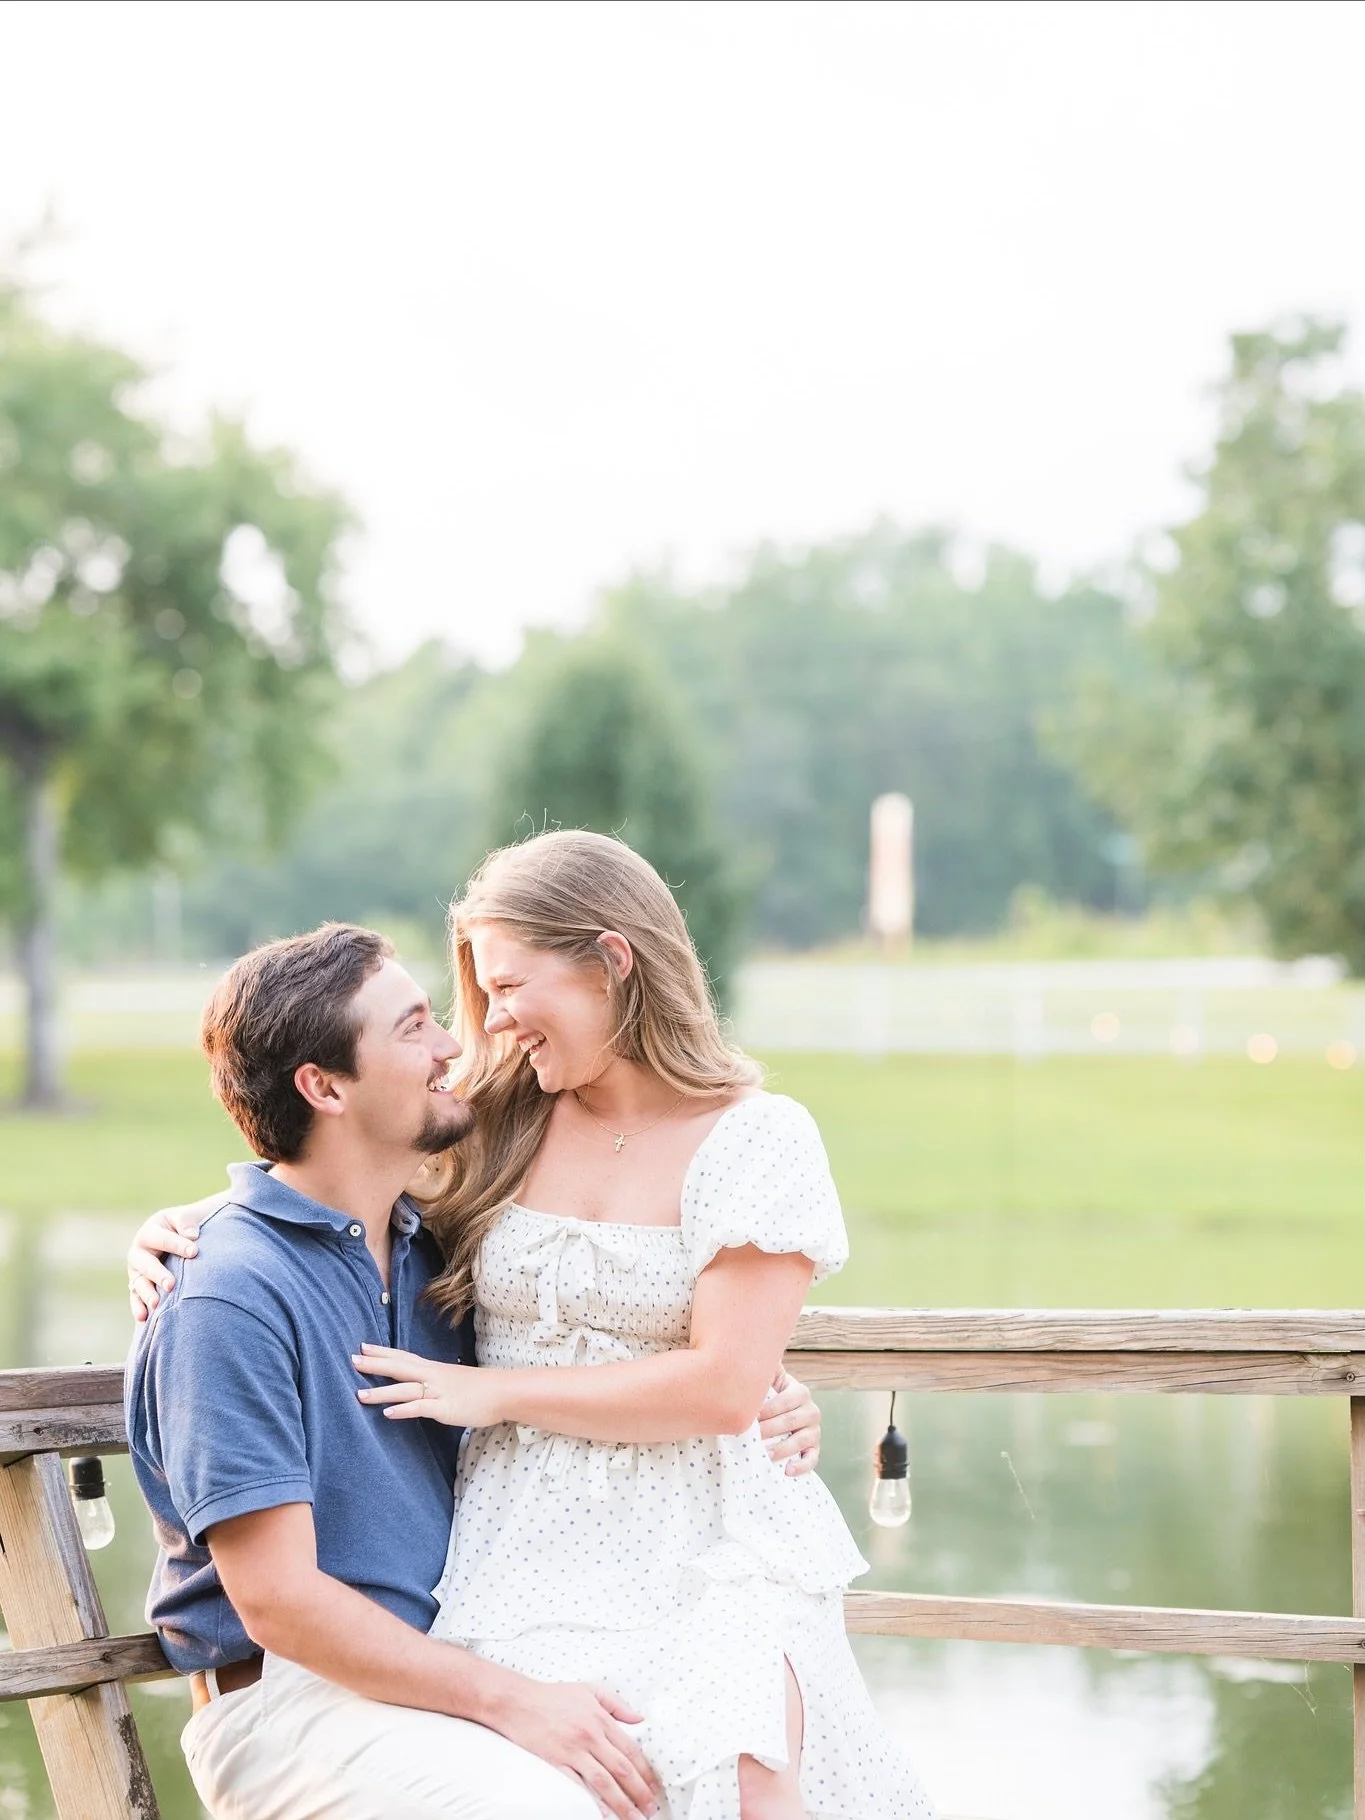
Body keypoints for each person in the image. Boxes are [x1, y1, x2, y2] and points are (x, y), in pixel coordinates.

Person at [125, 919, 824, 1820]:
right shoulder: (226, 1293)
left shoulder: (432, 1254)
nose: (457, 1044)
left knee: (701, 1778)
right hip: (295, 1705)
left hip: (455, 1675)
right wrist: (517, 1701)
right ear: (323, 1086)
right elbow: (283, 1607)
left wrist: (762, 1385)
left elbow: (634, 1350)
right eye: (414, 1026)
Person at [347, 831, 935, 1820]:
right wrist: (187, 1227)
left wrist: (493, 1389)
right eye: (482, 992)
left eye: (510, 985)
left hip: (713, 1532)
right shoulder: (498, 1116)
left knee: (742, 1773)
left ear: (612, 959)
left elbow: (721, 1387)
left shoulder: (758, 1137)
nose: (492, 1019)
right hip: (525, 1539)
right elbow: (322, 1175)